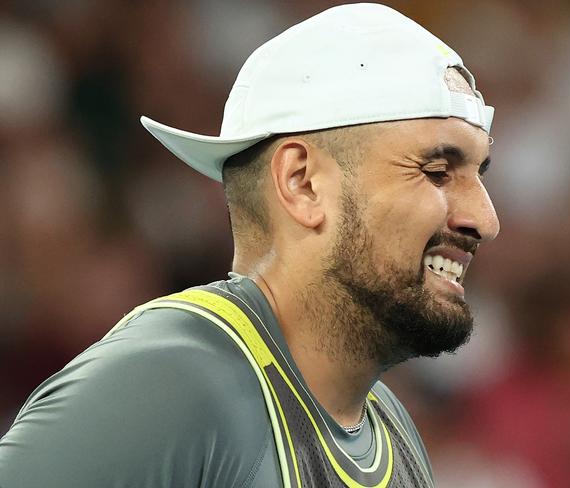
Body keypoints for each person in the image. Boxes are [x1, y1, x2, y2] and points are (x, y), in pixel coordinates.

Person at [0, 3, 499, 487]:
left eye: (478, 175)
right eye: (436, 171)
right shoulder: (170, 386)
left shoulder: (391, 428)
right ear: (302, 184)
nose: (486, 219)